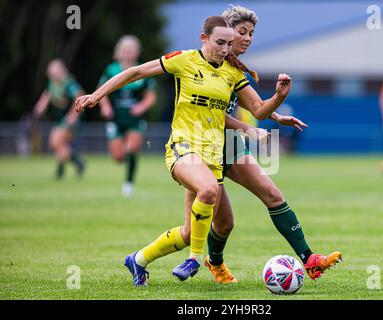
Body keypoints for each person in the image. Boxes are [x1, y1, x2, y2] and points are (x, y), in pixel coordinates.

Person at [132, 6, 342, 286]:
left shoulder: (233, 69)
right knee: (211, 225)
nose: (247, 38)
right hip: (200, 147)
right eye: (241, 32)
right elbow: (214, 113)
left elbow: (250, 106)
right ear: (224, 33)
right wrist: (248, 126)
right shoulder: (204, 62)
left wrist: (276, 111)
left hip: (229, 145)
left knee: (271, 193)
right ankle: (199, 261)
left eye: (251, 33)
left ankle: (309, 259)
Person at [75, 15, 292, 286]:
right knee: (210, 190)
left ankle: (138, 260)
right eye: (220, 42)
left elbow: (259, 109)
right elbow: (136, 72)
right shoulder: (184, 60)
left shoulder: (232, 73)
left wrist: (279, 97)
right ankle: (195, 260)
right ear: (204, 38)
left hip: (212, 156)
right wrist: (96, 95)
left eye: (228, 44)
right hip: (182, 149)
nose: (225, 49)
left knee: (192, 231)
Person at [98, 36, 158, 196]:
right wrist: (105, 106)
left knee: (132, 148)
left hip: (135, 119)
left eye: (131, 50)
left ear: (137, 52)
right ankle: (125, 158)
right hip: (115, 118)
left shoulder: (143, 69)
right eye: (125, 50)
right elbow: (101, 91)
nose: (128, 53)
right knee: (118, 157)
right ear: (119, 51)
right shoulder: (111, 70)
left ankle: (128, 184)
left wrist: (142, 106)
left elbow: (151, 95)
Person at [33, 59, 85, 180]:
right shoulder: (52, 83)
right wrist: (40, 108)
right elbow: (47, 94)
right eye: (52, 73)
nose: (54, 76)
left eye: (56, 73)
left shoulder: (69, 83)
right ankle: (75, 163)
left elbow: (80, 95)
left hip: (71, 119)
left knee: (56, 142)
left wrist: (73, 116)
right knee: (58, 144)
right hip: (60, 119)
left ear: (62, 71)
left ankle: (69, 166)